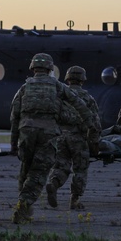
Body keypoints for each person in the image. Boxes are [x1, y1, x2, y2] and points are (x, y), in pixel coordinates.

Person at [9, 53, 99, 224]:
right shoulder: (57, 86)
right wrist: (90, 125)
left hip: (26, 131)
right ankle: (24, 204)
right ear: (50, 68)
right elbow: (79, 104)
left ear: (33, 68)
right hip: (48, 132)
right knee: (39, 171)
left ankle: (25, 203)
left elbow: (14, 116)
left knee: (26, 168)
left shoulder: (24, 88)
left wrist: (14, 143)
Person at [45, 66, 101, 211]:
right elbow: (94, 123)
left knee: (60, 166)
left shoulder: (60, 96)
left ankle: (54, 184)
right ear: (83, 80)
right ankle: (74, 200)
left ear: (67, 79)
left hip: (60, 137)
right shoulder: (88, 98)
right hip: (79, 138)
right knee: (80, 169)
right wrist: (94, 143)